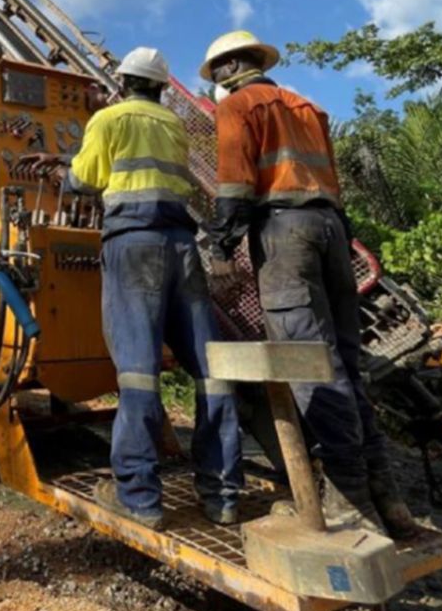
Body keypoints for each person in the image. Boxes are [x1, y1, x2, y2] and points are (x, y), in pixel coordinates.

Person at [200, 29, 415, 536]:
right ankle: (388, 497)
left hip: (284, 233)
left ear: (230, 68)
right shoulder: (306, 107)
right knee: (346, 360)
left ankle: (348, 501)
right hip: (332, 230)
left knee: (309, 361)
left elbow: (234, 185)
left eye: (218, 74)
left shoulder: (239, 106)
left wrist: (221, 248)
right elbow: (331, 180)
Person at [26, 46, 243, 529]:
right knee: (211, 370)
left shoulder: (107, 118)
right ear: (163, 87)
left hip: (133, 245)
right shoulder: (172, 126)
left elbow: (86, 180)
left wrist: (65, 165)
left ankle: (140, 498)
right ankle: (223, 494)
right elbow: (138, 167)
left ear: (122, 82)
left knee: (137, 373)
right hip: (182, 245)